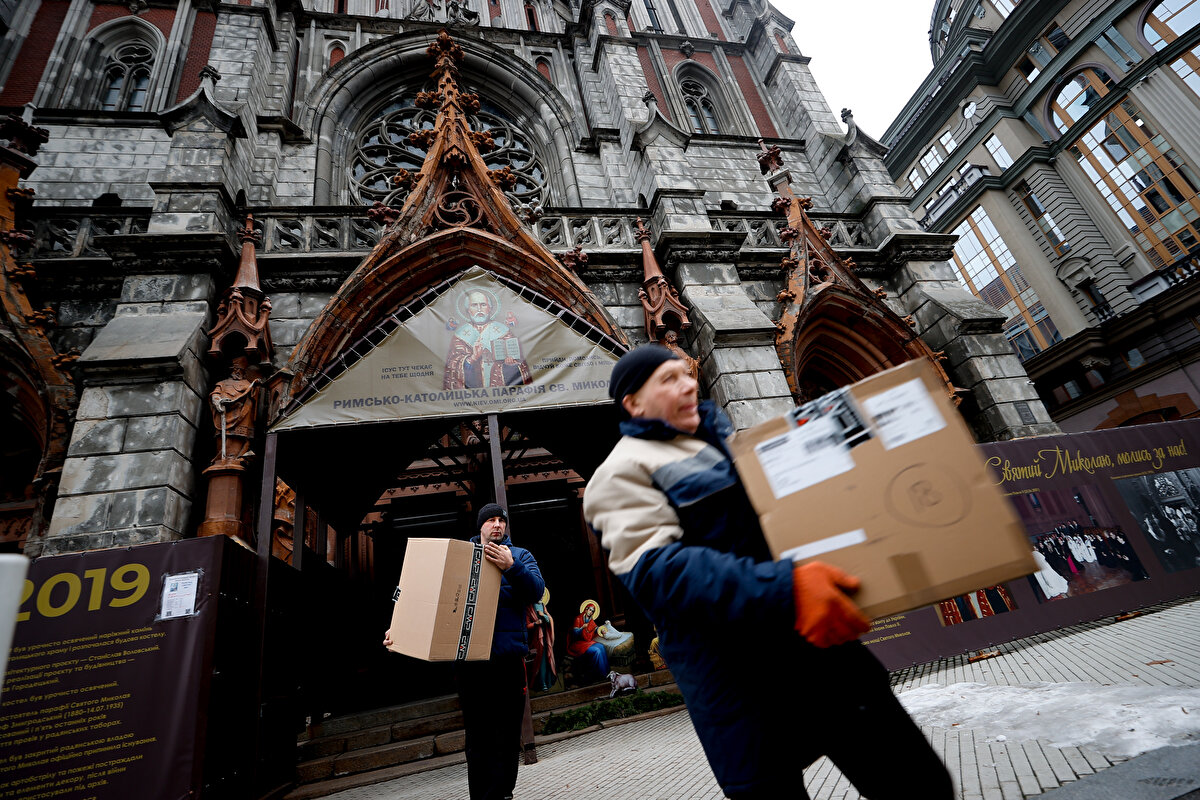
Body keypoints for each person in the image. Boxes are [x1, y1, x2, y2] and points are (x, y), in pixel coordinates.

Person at [582, 344, 953, 800]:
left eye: (687, 374)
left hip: (822, 660)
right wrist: (786, 585)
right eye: (669, 379)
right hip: (741, 687)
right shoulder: (620, 473)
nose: (689, 384)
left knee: (923, 785)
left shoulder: (734, 447)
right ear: (633, 403)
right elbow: (660, 572)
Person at [384, 503, 543, 800]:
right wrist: (402, 628)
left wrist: (512, 567)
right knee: (479, 735)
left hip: (508, 660)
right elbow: (428, 596)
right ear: (480, 526)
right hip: (471, 663)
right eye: (490, 520)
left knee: (508, 733)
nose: (497, 525)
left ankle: (503, 793)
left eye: (501, 520)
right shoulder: (460, 557)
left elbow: (536, 591)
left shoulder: (520, 556)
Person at [443, 288, 532, 389]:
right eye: (474, 305)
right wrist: (472, 358)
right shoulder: (460, 336)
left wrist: (510, 365)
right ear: (468, 310)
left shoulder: (504, 331)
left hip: (501, 395)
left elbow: (520, 366)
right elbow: (452, 369)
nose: (479, 309)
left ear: (490, 308)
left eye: (483, 305)